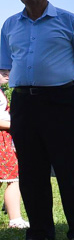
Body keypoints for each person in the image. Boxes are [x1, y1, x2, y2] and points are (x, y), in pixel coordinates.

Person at [0, 0, 74, 240]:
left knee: (72, 169)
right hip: (23, 103)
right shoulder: (9, 26)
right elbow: (6, 67)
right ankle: (38, 234)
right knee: (30, 170)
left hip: (61, 99)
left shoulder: (69, 21)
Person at [0, 70, 28, 229]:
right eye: (2, 71)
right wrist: (17, 125)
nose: (7, 74)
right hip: (2, 140)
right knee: (14, 179)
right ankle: (15, 219)